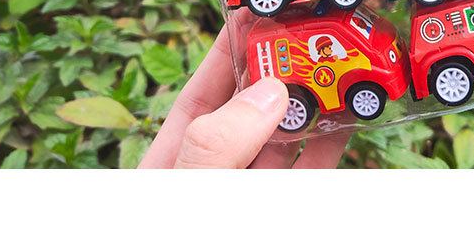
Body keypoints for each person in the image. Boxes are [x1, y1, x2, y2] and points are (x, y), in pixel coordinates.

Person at [138, 23, 348, 169]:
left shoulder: (327, 57)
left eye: (329, 48)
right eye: (327, 48)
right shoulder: (315, 59)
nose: (329, 50)